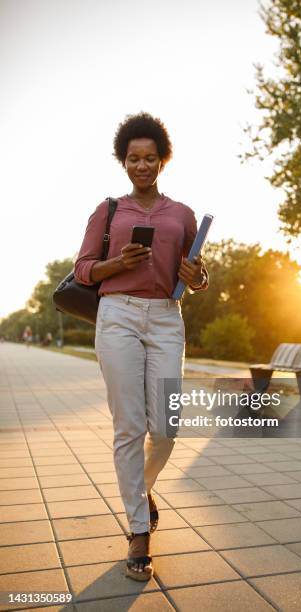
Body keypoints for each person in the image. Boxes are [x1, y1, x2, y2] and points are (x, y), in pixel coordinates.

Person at [74, 112, 209, 581]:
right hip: (118, 317)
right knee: (129, 426)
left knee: (168, 426)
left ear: (163, 160)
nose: (142, 165)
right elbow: (85, 268)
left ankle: (141, 489)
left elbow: (197, 274)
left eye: (150, 158)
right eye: (134, 158)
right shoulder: (108, 211)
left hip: (167, 320)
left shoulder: (182, 215)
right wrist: (117, 263)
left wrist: (198, 277)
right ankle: (138, 531)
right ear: (123, 161)